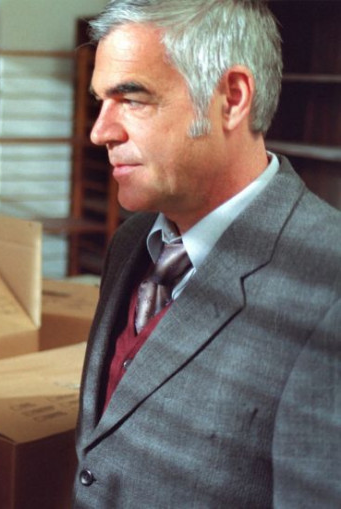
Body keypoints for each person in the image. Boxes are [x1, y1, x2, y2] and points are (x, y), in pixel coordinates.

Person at [73, 0, 340, 507]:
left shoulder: (328, 286)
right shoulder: (132, 242)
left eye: (132, 99)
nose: (100, 131)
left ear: (232, 98)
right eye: (101, 101)